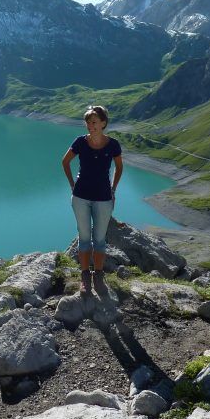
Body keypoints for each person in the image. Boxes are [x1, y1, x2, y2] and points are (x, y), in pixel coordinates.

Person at [61, 105, 123, 294]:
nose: (90, 125)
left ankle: (98, 275)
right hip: (81, 196)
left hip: (104, 197)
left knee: (100, 239)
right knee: (85, 237)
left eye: (94, 122)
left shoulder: (113, 145)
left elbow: (119, 168)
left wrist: (113, 189)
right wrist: (73, 185)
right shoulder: (80, 142)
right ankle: (85, 276)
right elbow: (65, 162)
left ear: (103, 123)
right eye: (88, 122)